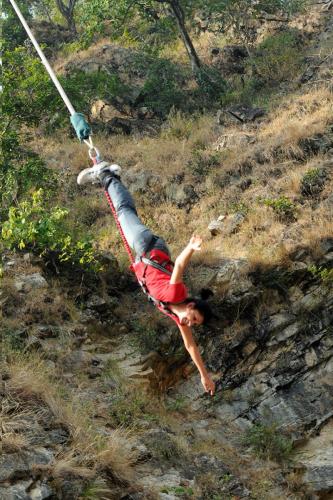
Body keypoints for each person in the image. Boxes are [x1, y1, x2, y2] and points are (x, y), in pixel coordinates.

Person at [77, 162, 215, 395]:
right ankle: (106, 174)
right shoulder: (177, 295)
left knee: (126, 213)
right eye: (193, 318)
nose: (190, 323)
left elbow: (190, 346)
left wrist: (204, 375)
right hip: (148, 247)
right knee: (123, 212)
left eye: (194, 324)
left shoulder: (176, 314)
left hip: (149, 253)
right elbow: (179, 266)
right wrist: (191, 247)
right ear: (190, 306)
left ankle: (111, 176)